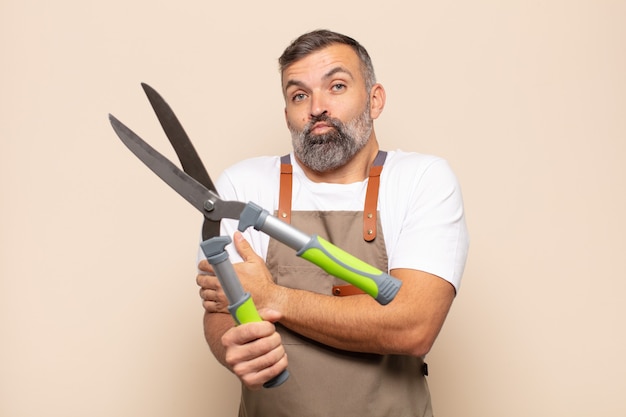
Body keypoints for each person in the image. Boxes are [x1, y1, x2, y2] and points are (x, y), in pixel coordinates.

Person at [196, 29, 469, 417]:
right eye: (299, 95)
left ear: (375, 100)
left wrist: (275, 298)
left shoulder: (421, 180)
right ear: (287, 113)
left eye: (336, 86)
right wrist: (234, 346)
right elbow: (221, 312)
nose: (316, 107)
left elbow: (413, 327)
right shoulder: (242, 185)